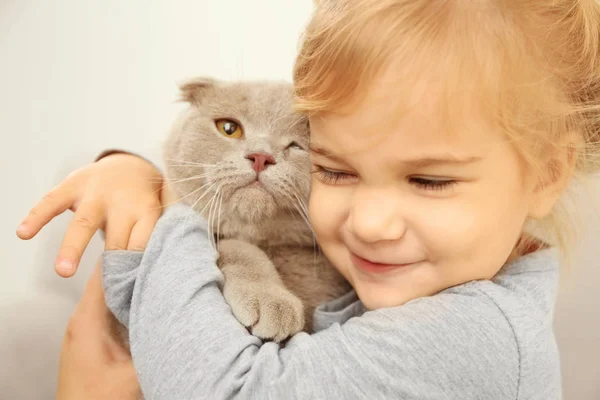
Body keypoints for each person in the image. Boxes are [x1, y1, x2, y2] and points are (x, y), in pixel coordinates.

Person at [17, 0, 600, 398]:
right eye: (336, 171)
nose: (369, 224)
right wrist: (134, 173)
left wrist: (166, 207)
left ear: (548, 172)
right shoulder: (407, 281)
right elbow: (147, 306)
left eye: (428, 181)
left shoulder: (477, 337)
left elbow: (221, 390)